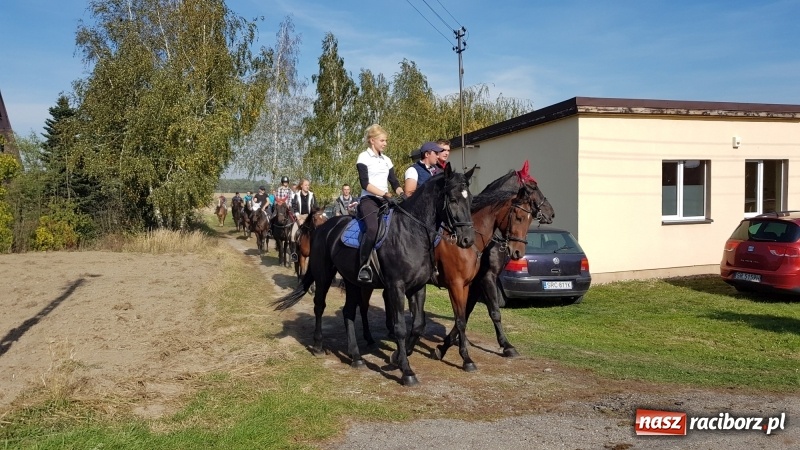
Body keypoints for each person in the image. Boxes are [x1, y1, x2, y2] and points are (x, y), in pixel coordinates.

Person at [355, 124, 403, 282]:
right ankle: (363, 266)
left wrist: (402, 194)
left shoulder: (386, 160)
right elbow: (365, 184)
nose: (385, 143)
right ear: (372, 140)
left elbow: (394, 182)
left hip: (386, 200)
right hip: (369, 200)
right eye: (382, 140)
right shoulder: (363, 157)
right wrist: (385, 194)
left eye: (386, 140)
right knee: (373, 229)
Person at [291, 178, 318, 243]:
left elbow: (315, 206)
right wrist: (299, 218)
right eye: (305, 185)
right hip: (299, 217)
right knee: (293, 235)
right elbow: (294, 207)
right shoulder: (296, 195)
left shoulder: (312, 195)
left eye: (308, 185)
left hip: (310, 217)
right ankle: (294, 249)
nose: (307, 186)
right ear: (301, 186)